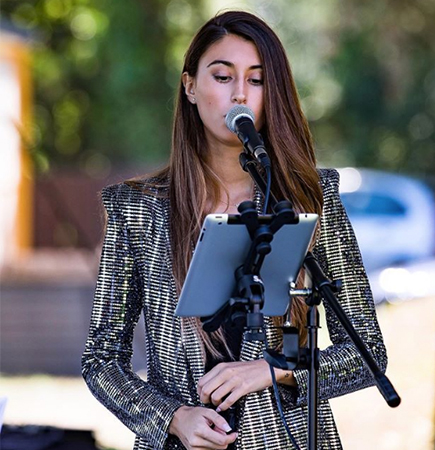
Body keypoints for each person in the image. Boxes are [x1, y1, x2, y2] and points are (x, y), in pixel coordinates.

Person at [82, 10, 387, 450]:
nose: (240, 93)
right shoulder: (138, 208)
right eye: (222, 77)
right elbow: (101, 359)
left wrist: (273, 369)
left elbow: (367, 352)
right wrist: (172, 418)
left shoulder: (313, 197)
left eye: (257, 80)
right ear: (190, 86)